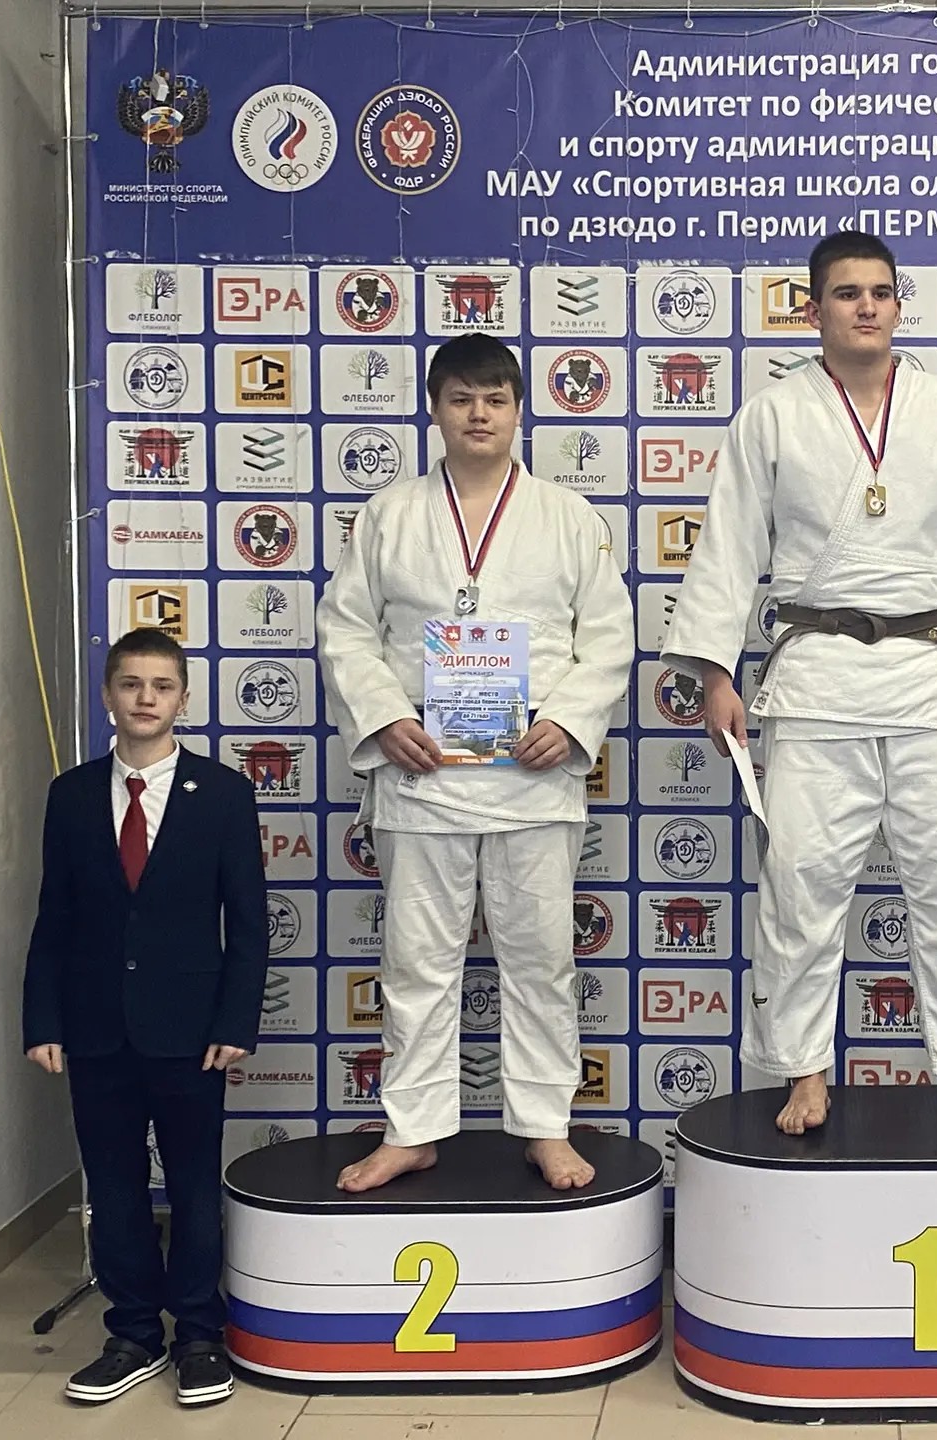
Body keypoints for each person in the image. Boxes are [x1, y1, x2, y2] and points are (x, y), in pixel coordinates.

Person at [661, 230, 937, 1137]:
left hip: (926, 679)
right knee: (801, 889)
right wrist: (716, 670)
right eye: (847, 294)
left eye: (881, 292)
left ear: (897, 305)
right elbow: (729, 547)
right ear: (814, 310)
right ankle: (804, 1069)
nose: (867, 306)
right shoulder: (772, 415)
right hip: (815, 679)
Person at [316, 332, 632, 1192]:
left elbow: (609, 636)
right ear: (435, 410)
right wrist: (385, 718)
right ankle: (413, 1128)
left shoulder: (568, 516)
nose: (478, 414)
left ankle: (545, 1124)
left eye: (495, 399)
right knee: (417, 962)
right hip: (423, 773)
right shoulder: (390, 514)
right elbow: (345, 628)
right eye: (461, 399)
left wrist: (568, 721)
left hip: (532, 775)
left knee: (541, 961)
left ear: (519, 410)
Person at [22, 628, 267, 1407]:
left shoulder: (223, 794)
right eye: (131, 684)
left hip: (191, 1031)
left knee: (193, 1186)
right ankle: (132, 1334)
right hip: (95, 1029)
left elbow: (249, 923)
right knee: (116, 1186)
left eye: (161, 686)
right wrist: (42, 1020)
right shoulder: (71, 794)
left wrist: (235, 1021)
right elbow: (54, 917)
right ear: (108, 695)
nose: (145, 699)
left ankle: (198, 1335)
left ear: (183, 699)